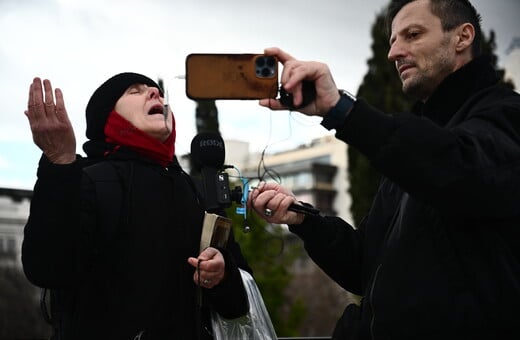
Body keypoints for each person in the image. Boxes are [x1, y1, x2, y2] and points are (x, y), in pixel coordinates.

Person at [249, 0, 520, 338]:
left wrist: (342, 111)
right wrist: (303, 219)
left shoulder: (506, 115)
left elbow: (458, 171)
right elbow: (364, 266)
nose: (395, 52)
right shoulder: (411, 150)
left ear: (462, 37)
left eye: (413, 35)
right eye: (393, 41)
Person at [22, 72, 251, 340]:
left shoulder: (198, 192)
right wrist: (59, 163)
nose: (155, 94)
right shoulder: (82, 180)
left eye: (157, 92)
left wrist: (222, 274)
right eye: (134, 91)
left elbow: (237, 305)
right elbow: (47, 269)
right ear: (107, 116)